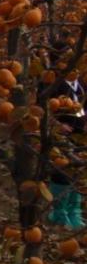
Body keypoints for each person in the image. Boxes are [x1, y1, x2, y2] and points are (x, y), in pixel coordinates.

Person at [48, 67, 85, 229]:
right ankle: (59, 212)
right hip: (61, 135)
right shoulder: (53, 84)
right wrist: (57, 125)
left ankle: (73, 212)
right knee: (61, 170)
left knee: (78, 170)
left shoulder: (81, 85)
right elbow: (41, 109)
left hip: (80, 136)